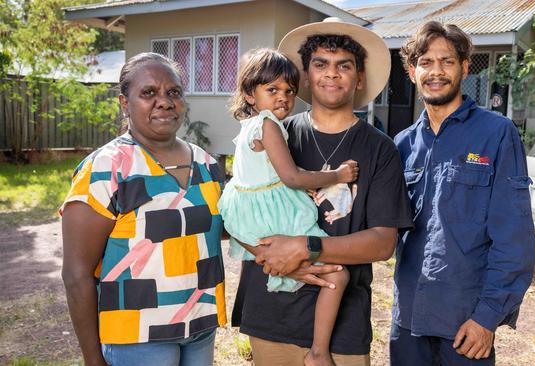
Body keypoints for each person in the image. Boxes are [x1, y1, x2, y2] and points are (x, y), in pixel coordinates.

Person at [231, 18, 413, 366]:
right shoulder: (273, 135)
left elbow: (382, 243)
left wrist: (305, 248)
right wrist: (283, 262)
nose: (331, 74)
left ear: (359, 77)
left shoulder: (381, 149)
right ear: (307, 75)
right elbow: (238, 207)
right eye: (320, 65)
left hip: (342, 328)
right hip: (272, 313)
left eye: (344, 66)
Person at [61, 53, 226, 366]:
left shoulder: (207, 164)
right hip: (136, 335)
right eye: (148, 93)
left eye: (173, 92)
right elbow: (76, 273)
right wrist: (93, 360)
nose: (164, 101)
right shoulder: (106, 168)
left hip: (201, 324)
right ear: (125, 103)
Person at [390, 21, 535, 365]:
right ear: (412, 72)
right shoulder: (403, 145)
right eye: (426, 62)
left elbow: (515, 239)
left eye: (447, 61)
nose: (436, 71)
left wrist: (487, 317)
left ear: (465, 68)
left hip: (465, 324)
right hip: (408, 319)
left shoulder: (497, 134)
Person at [218, 47, 358, 366]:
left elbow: (270, 176)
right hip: (271, 214)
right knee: (338, 277)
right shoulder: (268, 123)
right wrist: (338, 174)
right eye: (272, 90)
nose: (283, 97)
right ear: (250, 94)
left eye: (289, 91)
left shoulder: (249, 126)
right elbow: (292, 176)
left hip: (249, 210)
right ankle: (319, 352)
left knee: (310, 272)